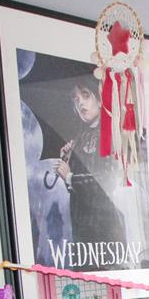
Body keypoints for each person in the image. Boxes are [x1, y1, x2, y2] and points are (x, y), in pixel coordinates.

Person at [53, 78, 127, 251]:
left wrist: (70, 177)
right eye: (76, 99)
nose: (80, 103)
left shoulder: (109, 133)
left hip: (104, 225)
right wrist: (68, 160)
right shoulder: (80, 137)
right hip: (83, 225)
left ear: (99, 100)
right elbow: (77, 186)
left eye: (85, 95)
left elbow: (107, 179)